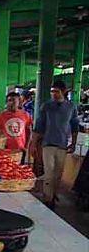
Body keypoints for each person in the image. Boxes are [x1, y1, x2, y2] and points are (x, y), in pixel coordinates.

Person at [30, 80, 80, 209]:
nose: (54, 94)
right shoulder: (46, 106)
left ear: (63, 92)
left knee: (58, 174)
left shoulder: (71, 107)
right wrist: (33, 144)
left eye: (56, 91)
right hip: (48, 144)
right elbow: (39, 126)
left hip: (62, 145)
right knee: (49, 172)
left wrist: (73, 143)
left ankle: (53, 194)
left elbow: (74, 126)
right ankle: (48, 199)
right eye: (52, 91)